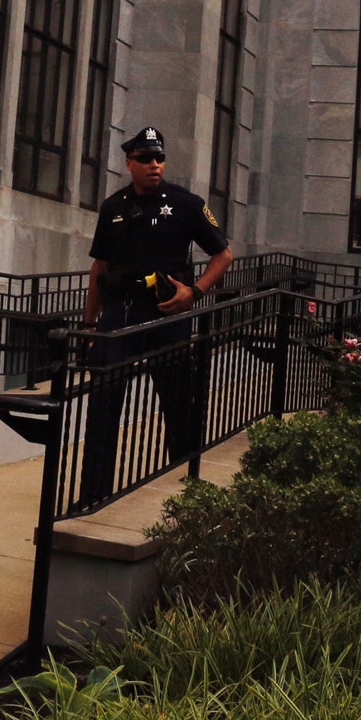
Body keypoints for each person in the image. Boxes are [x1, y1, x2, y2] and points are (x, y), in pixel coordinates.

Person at [77, 126, 234, 503]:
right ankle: (93, 496)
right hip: (120, 315)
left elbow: (223, 254)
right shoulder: (113, 207)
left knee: (179, 403)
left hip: (167, 316)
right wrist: (89, 324)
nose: (155, 165)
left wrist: (195, 292)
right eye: (146, 159)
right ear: (129, 163)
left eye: (159, 158)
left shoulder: (186, 204)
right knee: (102, 404)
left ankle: (185, 491)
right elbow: (100, 267)